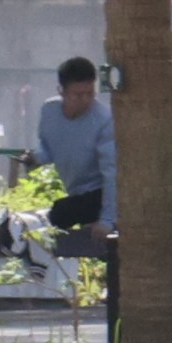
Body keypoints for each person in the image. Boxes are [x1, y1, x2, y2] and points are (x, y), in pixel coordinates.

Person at [32, 55, 115, 235]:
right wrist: (36, 158)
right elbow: (48, 148)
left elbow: (112, 174)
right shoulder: (49, 111)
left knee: (61, 212)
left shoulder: (104, 119)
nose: (85, 100)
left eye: (90, 93)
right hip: (77, 194)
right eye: (78, 95)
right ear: (61, 90)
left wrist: (107, 221)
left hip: (100, 195)